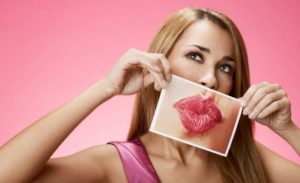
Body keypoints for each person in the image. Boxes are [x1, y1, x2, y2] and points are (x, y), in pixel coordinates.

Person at [0, 7, 299, 183]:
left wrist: (288, 130)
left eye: (225, 67)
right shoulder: (115, 165)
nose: (210, 79)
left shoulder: (247, 161)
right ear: (160, 62)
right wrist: (105, 88)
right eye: (196, 56)